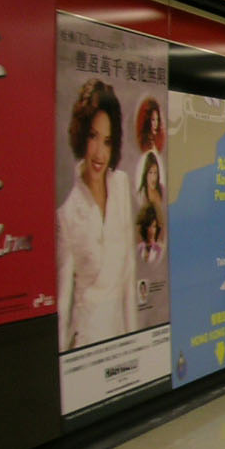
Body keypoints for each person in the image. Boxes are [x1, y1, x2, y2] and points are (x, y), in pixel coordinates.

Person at [56, 79, 137, 350]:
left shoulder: (122, 186)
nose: (100, 153)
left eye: (107, 141)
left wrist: (135, 343)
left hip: (120, 336)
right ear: (81, 137)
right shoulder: (67, 214)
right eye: (93, 137)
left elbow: (129, 275)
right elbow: (64, 301)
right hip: (87, 342)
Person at [136, 150, 165, 239]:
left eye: (155, 173)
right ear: (145, 174)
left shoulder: (162, 190)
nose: (153, 177)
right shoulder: (142, 195)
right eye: (150, 173)